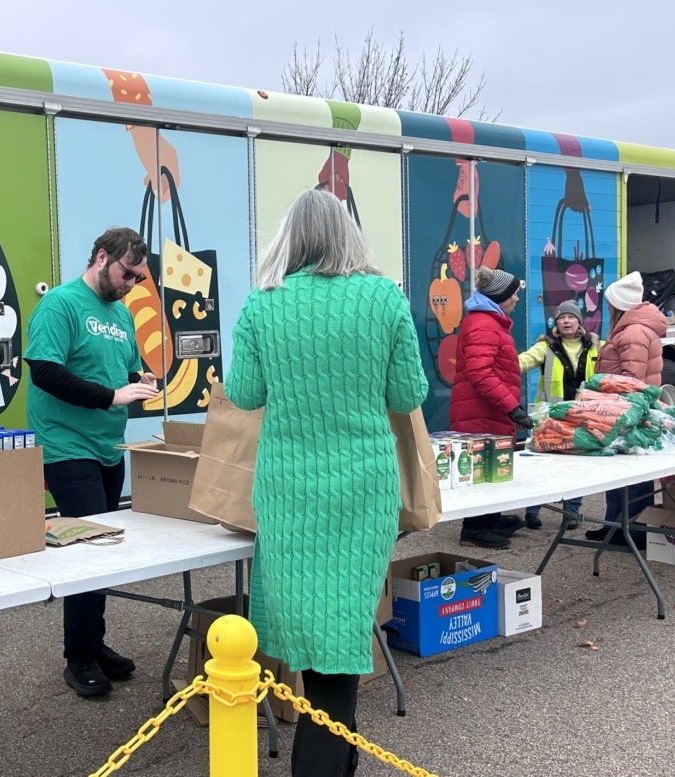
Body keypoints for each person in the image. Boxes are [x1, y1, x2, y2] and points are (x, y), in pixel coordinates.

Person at [226, 189, 428, 777]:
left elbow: (244, 393)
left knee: (315, 634)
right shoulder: (385, 298)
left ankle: (328, 760)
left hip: (290, 490)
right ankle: (334, 760)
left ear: (290, 237)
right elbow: (407, 395)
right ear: (349, 235)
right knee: (342, 628)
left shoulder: (263, 304)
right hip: (364, 489)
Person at [24, 227, 160, 697]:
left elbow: (118, 370)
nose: (131, 284)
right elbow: (45, 372)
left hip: (107, 447)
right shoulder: (60, 305)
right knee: (86, 549)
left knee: (103, 550)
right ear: (102, 257)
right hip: (66, 446)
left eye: (139, 279)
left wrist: (137, 378)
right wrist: (111, 395)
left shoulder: (121, 315)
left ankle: (94, 643)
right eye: (127, 273)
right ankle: (78, 657)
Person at [450, 266, 530, 549]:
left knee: (493, 467)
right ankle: (474, 529)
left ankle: (491, 518)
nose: (517, 299)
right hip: (480, 413)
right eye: (514, 295)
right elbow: (480, 373)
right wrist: (512, 408)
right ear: (500, 296)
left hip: (487, 410)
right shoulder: (484, 324)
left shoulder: (491, 321)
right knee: (481, 469)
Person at [585, 270, 666, 545]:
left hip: (626, 412)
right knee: (621, 472)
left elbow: (632, 380)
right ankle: (616, 525)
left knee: (632, 474)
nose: (606, 307)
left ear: (618, 305)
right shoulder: (633, 329)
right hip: (624, 411)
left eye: (609, 303)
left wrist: (599, 390)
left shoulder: (632, 333)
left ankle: (632, 528)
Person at [517, 299, 600, 529]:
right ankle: (532, 511)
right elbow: (523, 361)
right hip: (550, 417)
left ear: (579, 322)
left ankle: (571, 512)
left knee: (576, 465)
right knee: (542, 465)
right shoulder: (546, 346)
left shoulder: (595, 346)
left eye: (571, 317)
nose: (566, 321)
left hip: (581, 417)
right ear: (556, 323)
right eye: (562, 317)